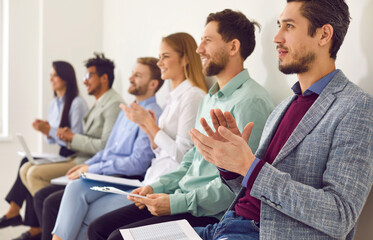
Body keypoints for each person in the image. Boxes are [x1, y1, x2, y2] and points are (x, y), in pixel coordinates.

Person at [190, 1, 373, 240]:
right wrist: (232, 165)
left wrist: (249, 167)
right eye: (279, 26)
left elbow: (340, 215)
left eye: (289, 26)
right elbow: (257, 192)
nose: (276, 37)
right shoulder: (284, 107)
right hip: (225, 225)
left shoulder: (356, 106)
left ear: (324, 34)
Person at [88, 10, 274, 240]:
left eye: (207, 40)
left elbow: (238, 187)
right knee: (98, 228)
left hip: (210, 213)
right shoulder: (209, 98)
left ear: (233, 47)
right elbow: (190, 160)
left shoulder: (251, 101)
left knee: (118, 237)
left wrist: (175, 202)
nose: (199, 49)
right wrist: (156, 187)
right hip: (184, 197)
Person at [42, 32, 208, 240]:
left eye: (165, 56)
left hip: (159, 183)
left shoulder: (192, 97)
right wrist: (149, 129)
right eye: (159, 56)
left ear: (184, 59)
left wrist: (147, 125)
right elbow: (158, 152)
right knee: (74, 192)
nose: (160, 62)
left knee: (90, 219)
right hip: (151, 179)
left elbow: (183, 156)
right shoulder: (170, 100)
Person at [35, 57, 164, 240]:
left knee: (77, 199)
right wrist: (86, 166)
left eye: (138, 75)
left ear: (153, 84)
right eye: (132, 74)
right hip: (108, 172)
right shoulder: (127, 109)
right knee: (74, 190)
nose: (130, 78)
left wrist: (93, 168)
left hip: (127, 177)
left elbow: (139, 163)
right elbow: (108, 149)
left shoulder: (153, 114)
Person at [0, 61, 88, 240]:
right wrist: (45, 131)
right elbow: (51, 138)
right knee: (26, 161)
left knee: (30, 172)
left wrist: (51, 131)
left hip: (74, 155)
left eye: (54, 75)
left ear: (65, 77)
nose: (51, 79)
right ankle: (27, 219)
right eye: (50, 75)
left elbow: (76, 137)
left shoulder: (77, 103)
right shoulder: (54, 103)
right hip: (61, 152)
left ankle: (34, 224)